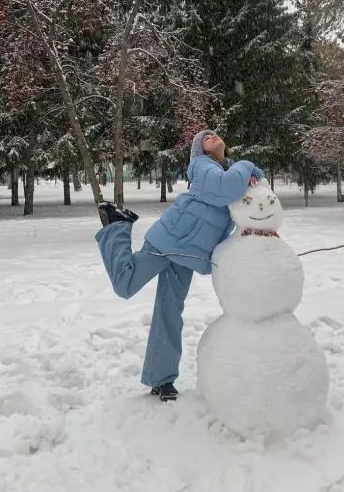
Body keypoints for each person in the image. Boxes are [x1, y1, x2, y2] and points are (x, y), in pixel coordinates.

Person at [95, 130, 264, 402]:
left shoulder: (232, 170)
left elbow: (258, 189)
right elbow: (224, 189)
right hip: (171, 237)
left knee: (170, 312)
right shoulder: (202, 166)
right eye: (205, 137)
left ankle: (161, 380)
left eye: (216, 134)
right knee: (125, 285)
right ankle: (116, 225)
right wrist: (248, 165)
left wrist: (251, 170)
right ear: (201, 149)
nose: (212, 136)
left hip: (190, 252)